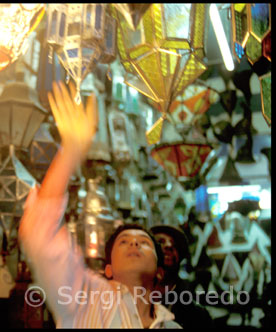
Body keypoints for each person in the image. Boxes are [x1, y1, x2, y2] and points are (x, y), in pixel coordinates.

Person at [18, 81, 181, 328]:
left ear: (159, 270)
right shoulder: (84, 298)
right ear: (107, 270)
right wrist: (70, 151)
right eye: (123, 242)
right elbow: (41, 236)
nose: (134, 242)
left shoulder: (171, 326)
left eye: (144, 243)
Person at [150, 225, 214, 328]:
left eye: (175, 245)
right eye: (160, 242)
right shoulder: (130, 299)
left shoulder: (195, 312)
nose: (169, 245)